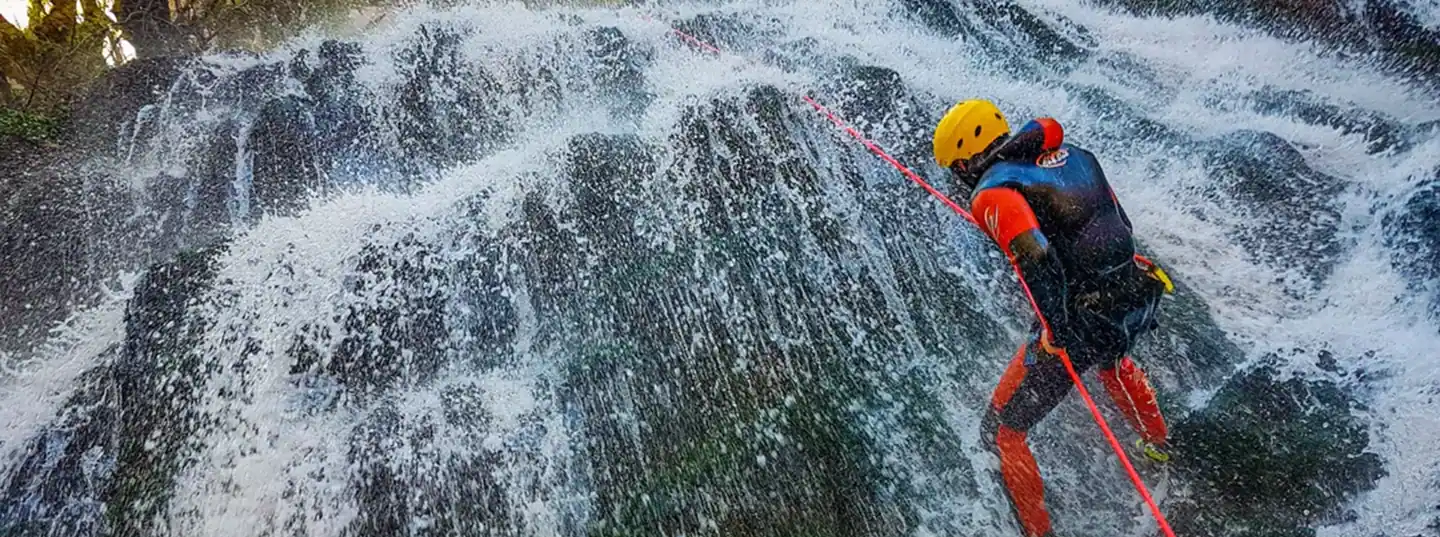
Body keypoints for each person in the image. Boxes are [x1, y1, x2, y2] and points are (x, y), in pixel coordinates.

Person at [931, 99, 1175, 537]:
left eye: (955, 168)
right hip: (1135, 289)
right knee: (1113, 363)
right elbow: (1119, 220)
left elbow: (1038, 257)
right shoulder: (1077, 155)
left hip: (1080, 320)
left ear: (965, 161)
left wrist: (1055, 333)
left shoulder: (991, 193)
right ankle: (1160, 445)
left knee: (1003, 432)